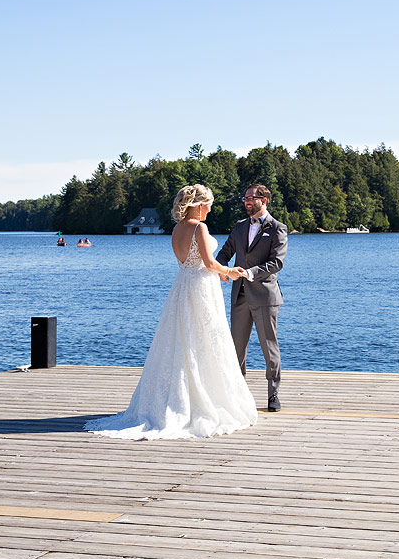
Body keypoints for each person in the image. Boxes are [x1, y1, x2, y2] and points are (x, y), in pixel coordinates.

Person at [85, 184, 258, 439]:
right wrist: (229, 272)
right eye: (208, 203)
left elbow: (194, 262)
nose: (211, 208)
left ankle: (173, 400)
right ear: (199, 204)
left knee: (180, 340)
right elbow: (208, 262)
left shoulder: (177, 228)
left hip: (183, 285)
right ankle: (201, 402)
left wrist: (216, 271)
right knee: (204, 341)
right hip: (200, 288)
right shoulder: (199, 227)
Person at [216, 183, 288, 412]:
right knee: (236, 349)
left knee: (269, 347)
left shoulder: (277, 228)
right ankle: (237, 397)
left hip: (265, 297)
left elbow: (277, 263)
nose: (247, 201)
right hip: (240, 296)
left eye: (251, 198)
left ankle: (273, 395)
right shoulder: (239, 227)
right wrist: (222, 269)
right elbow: (225, 252)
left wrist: (251, 272)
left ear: (263, 200)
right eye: (245, 198)